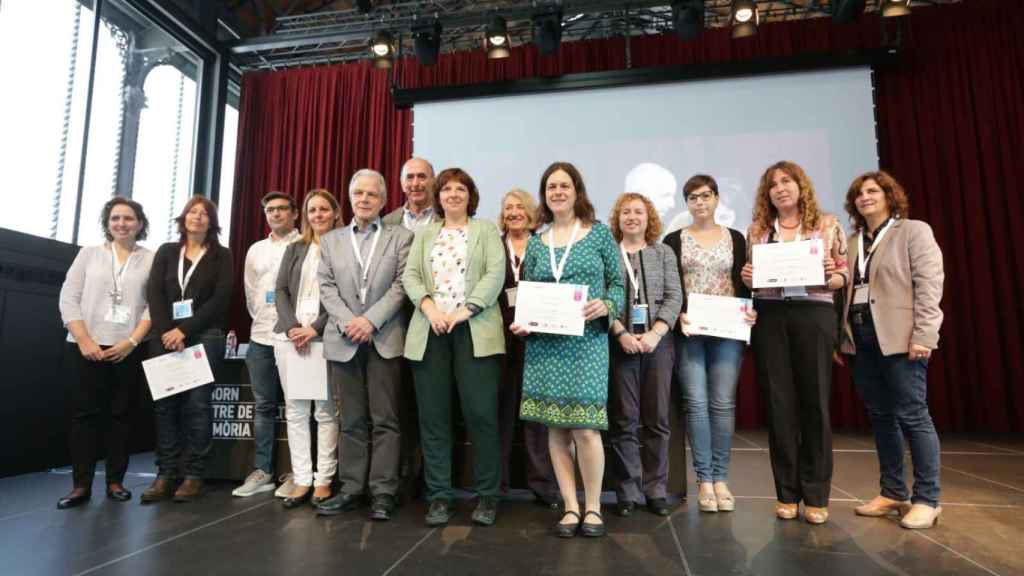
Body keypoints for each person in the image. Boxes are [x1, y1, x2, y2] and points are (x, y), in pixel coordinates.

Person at [512, 162, 625, 538]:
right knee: (556, 429)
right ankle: (570, 506)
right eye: (551, 187)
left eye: (564, 185)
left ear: (577, 191)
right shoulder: (536, 241)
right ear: (544, 194)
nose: (557, 192)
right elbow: (527, 292)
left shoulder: (599, 236)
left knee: (586, 429)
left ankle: (593, 507)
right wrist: (523, 321)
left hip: (587, 343)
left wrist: (606, 306)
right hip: (545, 345)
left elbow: (618, 287)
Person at [741, 161, 848, 524]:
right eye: (773, 185)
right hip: (771, 316)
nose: (780, 189)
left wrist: (833, 277)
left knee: (815, 403)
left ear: (801, 186)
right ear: (766, 194)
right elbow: (752, 278)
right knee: (779, 404)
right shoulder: (757, 230)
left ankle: (816, 494)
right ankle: (786, 493)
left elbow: (843, 274)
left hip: (813, 314)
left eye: (787, 181)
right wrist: (748, 275)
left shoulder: (827, 225)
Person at [840, 171, 944, 529]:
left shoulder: (913, 231)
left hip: (901, 336)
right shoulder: (854, 241)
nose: (865, 197)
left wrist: (925, 335)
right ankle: (893, 491)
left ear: (889, 195)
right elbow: (848, 288)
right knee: (881, 416)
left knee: (913, 414)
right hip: (861, 335)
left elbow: (929, 285)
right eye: (859, 194)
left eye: (873, 191)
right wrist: (844, 337)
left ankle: (928, 499)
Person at [403, 168, 506, 527]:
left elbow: (496, 273)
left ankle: (488, 497)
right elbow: (411, 276)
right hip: (431, 332)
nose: (452, 194)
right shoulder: (425, 233)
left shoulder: (487, 230)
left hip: (474, 331)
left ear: (470, 195)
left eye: (459, 188)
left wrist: (464, 312)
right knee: (434, 421)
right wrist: (431, 309)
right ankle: (439, 498)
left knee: (481, 417)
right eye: (446, 189)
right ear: (438, 196)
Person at [316, 170, 413, 521]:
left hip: (384, 337)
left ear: (384, 200)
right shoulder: (331, 240)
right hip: (344, 339)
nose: (364, 199)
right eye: (358, 193)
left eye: (372, 194)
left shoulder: (402, 237)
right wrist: (349, 322)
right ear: (350, 196)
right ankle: (352, 487)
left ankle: (383, 492)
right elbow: (326, 288)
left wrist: (370, 320)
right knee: (351, 420)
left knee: (385, 419)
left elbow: (402, 285)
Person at [663, 175, 754, 513]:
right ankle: (704, 480)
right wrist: (677, 316)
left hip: (728, 331)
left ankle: (721, 478)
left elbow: (744, 285)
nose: (699, 203)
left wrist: (750, 312)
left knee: (722, 404)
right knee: (696, 405)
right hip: (689, 330)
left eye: (705, 196)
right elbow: (669, 287)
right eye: (692, 198)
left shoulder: (736, 238)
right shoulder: (673, 239)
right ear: (686, 203)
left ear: (717, 199)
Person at [56, 197, 154, 509]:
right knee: (84, 417)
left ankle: (115, 481)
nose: (121, 224)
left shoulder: (151, 259)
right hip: (86, 348)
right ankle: (80, 485)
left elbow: (154, 306)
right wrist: (84, 339)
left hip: (128, 349)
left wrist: (132, 342)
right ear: (107, 223)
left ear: (139, 223)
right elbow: (68, 298)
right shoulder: (89, 254)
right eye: (115, 218)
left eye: (128, 218)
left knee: (120, 417)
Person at [142, 196, 233, 503]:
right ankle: (166, 473)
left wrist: (184, 330)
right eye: (193, 212)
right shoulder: (167, 252)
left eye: (204, 214)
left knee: (198, 406)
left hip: (204, 335)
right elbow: (154, 292)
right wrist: (168, 330)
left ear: (212, 222)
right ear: (183, 218)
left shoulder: (222, 255)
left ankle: (194, 474)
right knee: (165, 406)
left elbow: (220, 300)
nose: (197, 217)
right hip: (164, 335)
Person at [607, 192, 682, 518]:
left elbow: (674, 295)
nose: (632, 217)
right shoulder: (609, 253)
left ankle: (656, 489)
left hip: (658, 344)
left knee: (658, 420)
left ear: (649, 217)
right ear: (618, 219)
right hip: (620, 343)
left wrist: (656, 333)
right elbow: (601, 298)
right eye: (626, 212)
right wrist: (621, 332)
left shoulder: (662, 252)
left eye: (638, 212)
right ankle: (627, 491)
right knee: (624, 420)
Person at [272, 189, 342, 509]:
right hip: (292, 339)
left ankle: (323, 480)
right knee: (296, 411)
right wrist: (292, 327)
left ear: (335, 212)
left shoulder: (343, 248)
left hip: (325, 338)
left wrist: (314, 328)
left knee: (326, 412)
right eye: (312, 210)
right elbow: (281, 289)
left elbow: (346, 297)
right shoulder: (295, 248)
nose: (318, 215)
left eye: (324, 209)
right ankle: (301, 478)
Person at [495, 188, 559, 507]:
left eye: (520, 206)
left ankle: (543, 484)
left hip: (538, 338)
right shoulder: (493, 244)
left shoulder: (544, 244)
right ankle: (499, 483)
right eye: (508, 208)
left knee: (537, 414)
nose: (514, 212)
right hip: (500, 338)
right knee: (501, 413)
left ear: (531, 211)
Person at [234, 192, 300, 498]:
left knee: (298, 406)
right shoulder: (255, 250)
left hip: (295, 337)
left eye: (281, 209)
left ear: (294, 213)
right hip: (260, 336)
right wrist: (264, 318)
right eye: (269, 210)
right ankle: (264, 471)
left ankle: (295, 473)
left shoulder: (306, 245)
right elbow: (251, 293)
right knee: (263, 406)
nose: (275, 214)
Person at [382, 157, 438, 231]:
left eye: (421, 177)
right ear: (402, 184)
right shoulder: (387, 222)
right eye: (410, 177)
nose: (415, 184)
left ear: (433, 181)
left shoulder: (447, 218)